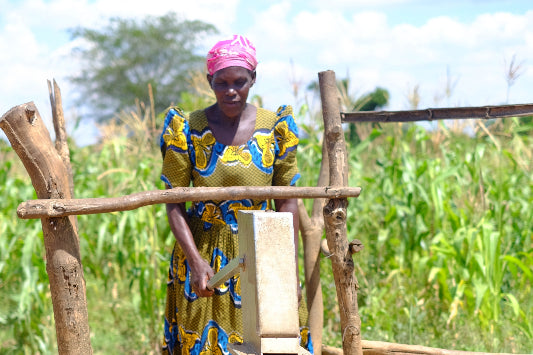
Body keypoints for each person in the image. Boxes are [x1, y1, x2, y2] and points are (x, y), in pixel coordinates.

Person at [159, 34, 313, 355]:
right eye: (222, 82)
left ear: (253, 79)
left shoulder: (275, 128)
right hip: (203, 256)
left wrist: (289, 269)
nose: (231, 91)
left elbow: (287, 201)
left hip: (264, 253)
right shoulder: (188, 128)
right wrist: (195, 262)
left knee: (271, 342)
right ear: (209, 81)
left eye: (240, 82)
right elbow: (173, 202)